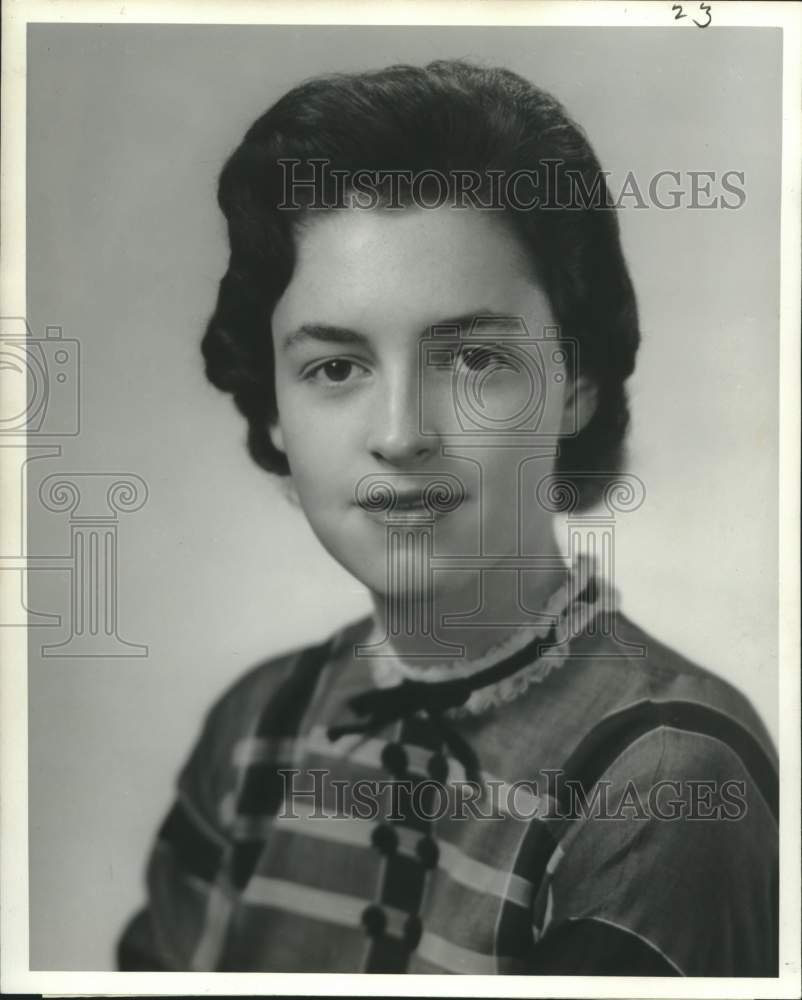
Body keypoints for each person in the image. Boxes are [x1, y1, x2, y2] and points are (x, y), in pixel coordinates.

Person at [117, 60, 778, 976]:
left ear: (576, 383)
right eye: (336, 368)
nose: (399, 436)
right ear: (273, 407)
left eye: (472, 359)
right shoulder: (257, 727)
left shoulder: (662, 778)